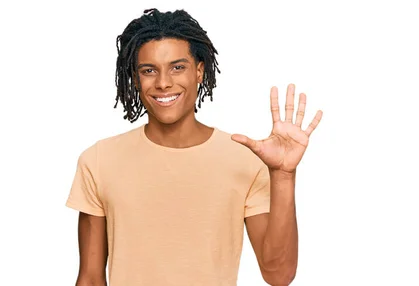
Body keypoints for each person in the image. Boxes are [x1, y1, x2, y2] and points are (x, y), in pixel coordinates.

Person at [65, 8, 322, 286]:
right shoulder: (99, 161)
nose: (163, 83)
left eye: (178, 67)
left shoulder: (244, 160)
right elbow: (90, 278)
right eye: (149, 70)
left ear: (199, 71)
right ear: (136, 79)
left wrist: (283, 176)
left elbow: (278, 274)